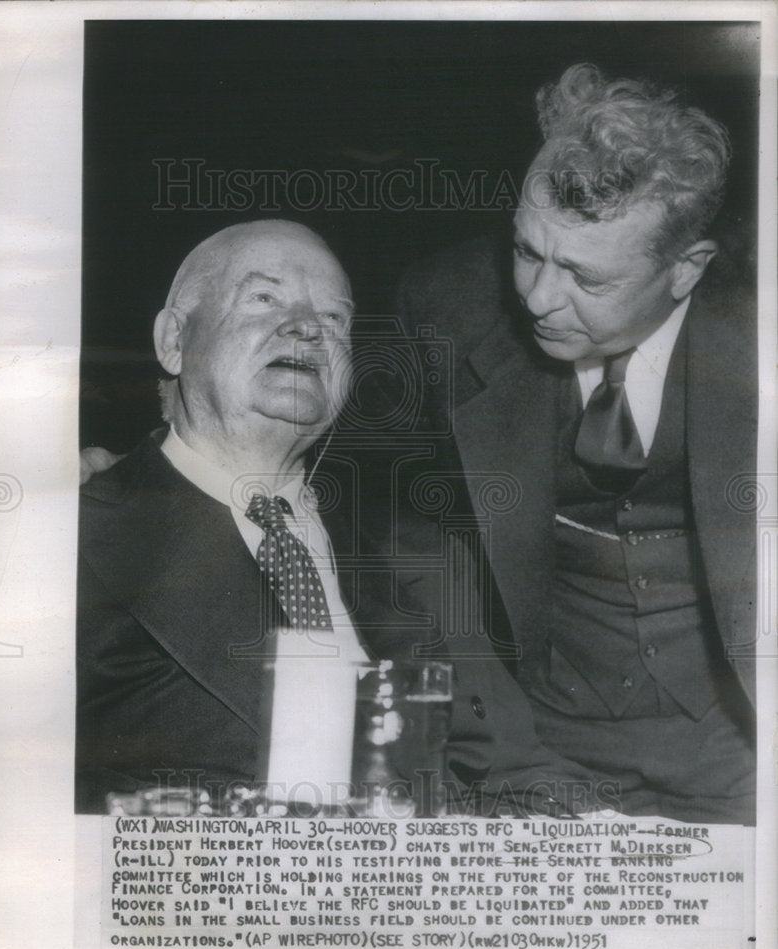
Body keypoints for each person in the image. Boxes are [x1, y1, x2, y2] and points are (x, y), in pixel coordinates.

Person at [76, 219, 595, 815]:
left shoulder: (420, 550)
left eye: (334, 319)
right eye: (263, 298)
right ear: (173, 340)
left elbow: (517, 771)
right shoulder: (67, 536)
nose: (306, 328)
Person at [398, 64, 758, 824]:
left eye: (584, 279)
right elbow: (427, 567)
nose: (534, 298)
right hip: (534, 746)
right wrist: (523, 771)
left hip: (748, 749)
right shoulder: (444, 311)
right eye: (528, 251)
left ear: (685, 270)